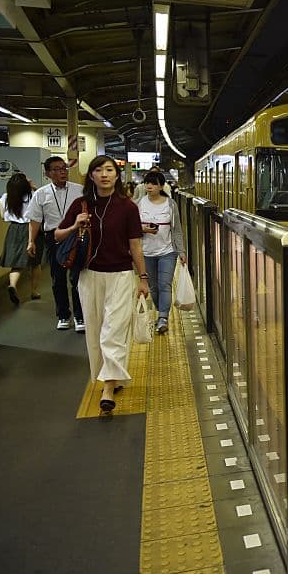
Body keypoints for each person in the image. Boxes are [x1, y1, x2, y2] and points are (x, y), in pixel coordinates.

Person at [56, 155, 148, 415]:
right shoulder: (80, 204)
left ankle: (107, 388)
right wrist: (75, 224)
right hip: (89, 276)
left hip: (120, 275)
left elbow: (135, 246)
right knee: (96, 331)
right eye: (99, 170)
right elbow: (57, 235)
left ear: (116, 176)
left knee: (113, 331)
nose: (105, 174)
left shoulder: (128, 207)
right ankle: (112, 375)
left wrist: (143, 278)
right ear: (92, 176)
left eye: (109, 170)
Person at [25, 156, 85, 332]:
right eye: (57, 169)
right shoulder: (41, 194)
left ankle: (80, 316)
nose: (62, 172)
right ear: (47, 173)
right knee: (57, 278)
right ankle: (63, 315)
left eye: (64, 168)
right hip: (53, 237)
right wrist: (31, 241)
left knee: (77, 278)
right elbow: (35, 220)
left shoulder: (79, 190)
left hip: (76, 235)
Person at [136, 171, 187, 335]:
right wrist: (142, 229)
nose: (149, 186)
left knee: (165, 285)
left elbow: (177, 230)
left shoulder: (171, 204)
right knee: (153, 287)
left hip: (168, 251)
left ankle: (163, 317)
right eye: (147, 183)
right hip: (145, 252)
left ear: (161, 186)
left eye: (153, 184)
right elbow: (129, 229)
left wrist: (181, 251)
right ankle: (160, 311)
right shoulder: (138, 204)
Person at [0, 173, 44, 306]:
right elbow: (42, 203)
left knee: (16, 263)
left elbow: (2, 216)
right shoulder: (32, 196)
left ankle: (12, 285)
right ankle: (34, 291)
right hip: (31, 229)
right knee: (35, 262)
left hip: (13, 230)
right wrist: (33, 187)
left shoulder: (5, 198)